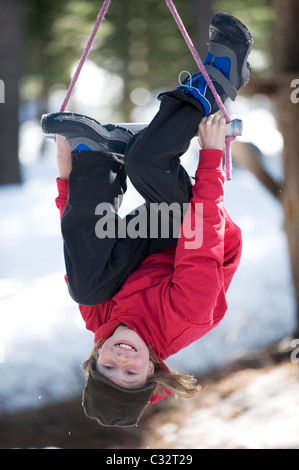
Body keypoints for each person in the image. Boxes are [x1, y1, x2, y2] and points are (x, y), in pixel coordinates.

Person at [42, 12, 252, 427]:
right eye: (131, 373)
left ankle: (99, 157)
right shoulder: (187, 316)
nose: (120, 360)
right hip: (196, 233)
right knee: (148, 162)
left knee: (84, 290)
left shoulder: (98, 321)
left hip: (148, 240)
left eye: (108, 369)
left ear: (94, 360)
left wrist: (70, 178)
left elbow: (81, 242)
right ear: (155, 370)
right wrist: (210, 158)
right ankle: (221, 77)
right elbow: (202, 237)